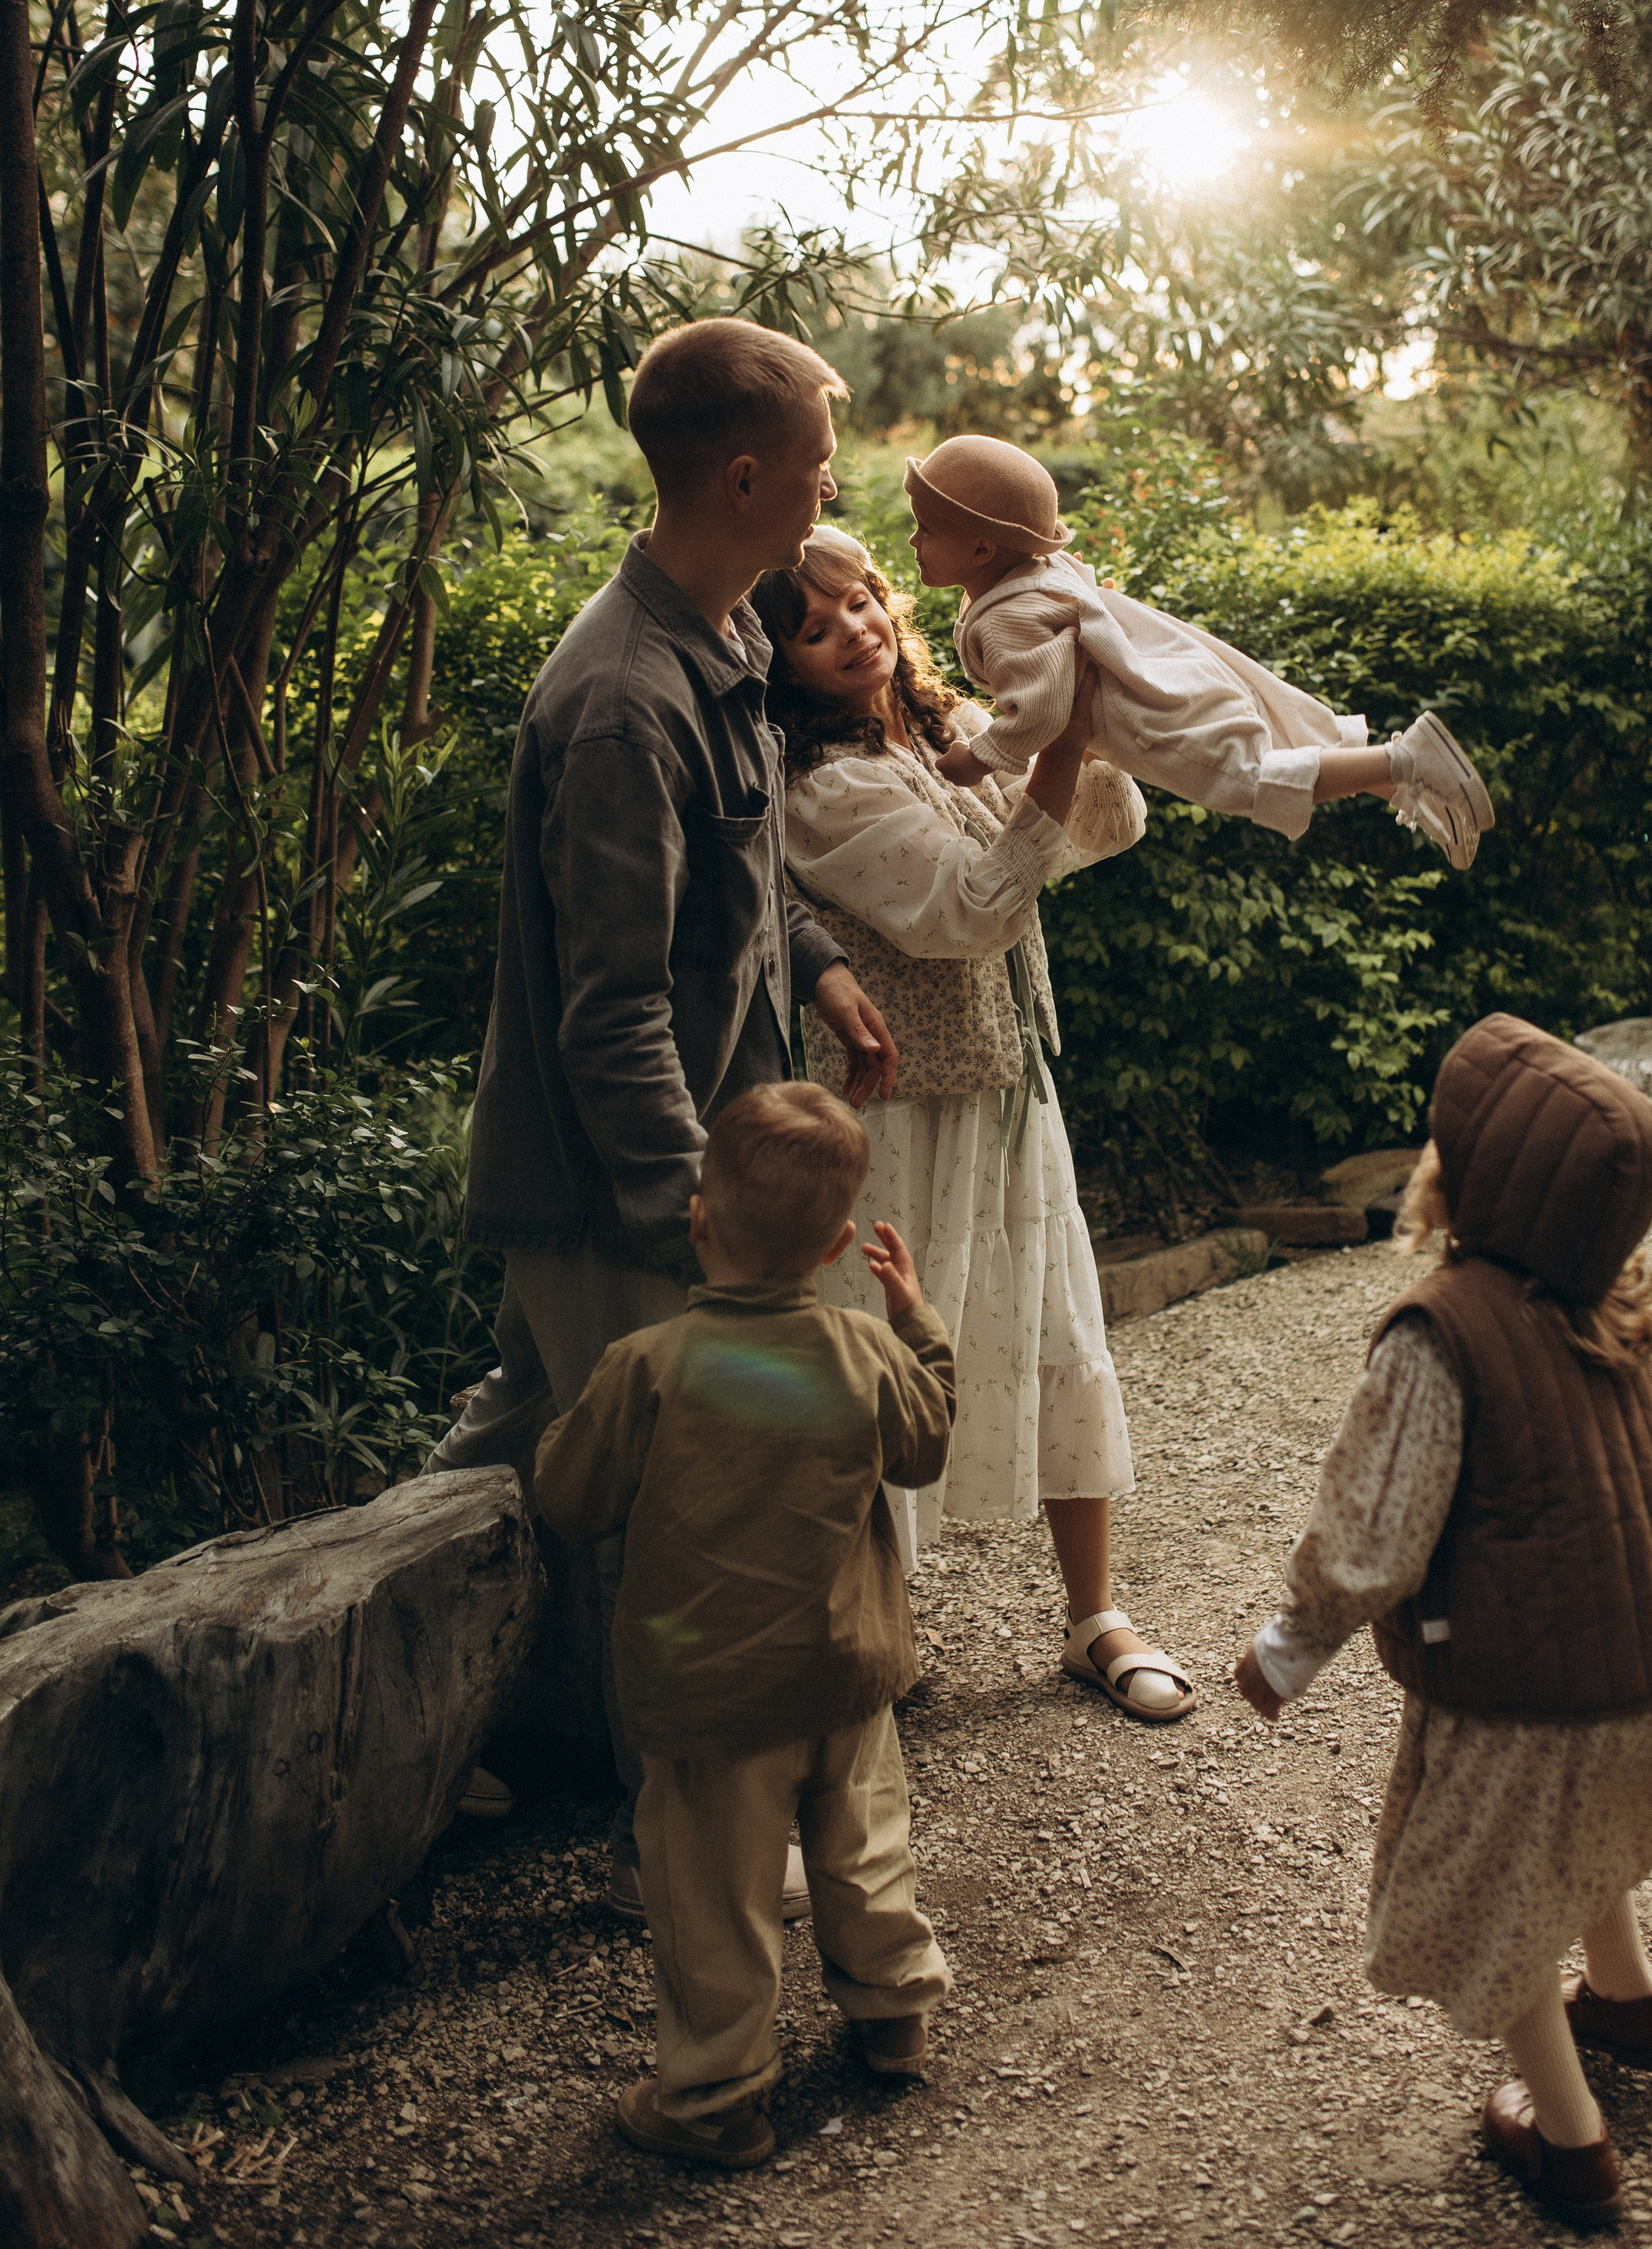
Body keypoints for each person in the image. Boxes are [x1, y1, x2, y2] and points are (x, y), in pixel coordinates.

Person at [433, 318, 899, 1918]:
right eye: (823, 464)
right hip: (619, 1190)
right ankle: (685, 1844)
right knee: (658, 1511)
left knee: (506, 1451)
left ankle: (413, 1729)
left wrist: (823, 972)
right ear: (750, 475)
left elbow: (747, 887)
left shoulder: (723, 642)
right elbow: (614, 1009)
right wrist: (694, 1231)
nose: (837, 489)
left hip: (674, 1168)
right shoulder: (626, 698)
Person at [1233, 1012, 1652, 2230]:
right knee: (1575, 1829)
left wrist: (1291, 1646)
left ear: (1471, 1183)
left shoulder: (1442, 1332)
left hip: (1521, 1699)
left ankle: (1568, 2140)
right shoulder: (1602, 1307)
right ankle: (1632, 1999)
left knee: (1497, 1894)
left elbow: (1374, 1532)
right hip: (1645, 1678)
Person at [756, 524, 1195, 1726]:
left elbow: (1110, 828)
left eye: (860, 602)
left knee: (1057, 1328)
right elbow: (972, 910)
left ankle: (1094, 1617)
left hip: (1009, 1081)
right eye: (814, 624)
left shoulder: (945, 730)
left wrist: (1066, 713)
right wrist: (1052, 737)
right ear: (780, 662)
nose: (855, 629)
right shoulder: (821, 788)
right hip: (897, 1113)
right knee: (886, 1358)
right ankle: (866, 1644)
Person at [533, 1081, 955, 2171]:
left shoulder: (648, 1368)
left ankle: (714, 2096)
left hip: (710, 1700)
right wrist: (918, 1321)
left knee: (713, 1902)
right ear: (835, 1250)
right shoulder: (866, 1355)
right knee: (864, 1853)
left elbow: (571, 1501)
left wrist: (551, 1437)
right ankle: (894, 2012)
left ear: (699, 1221)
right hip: (847, 1675)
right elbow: (928, 1443)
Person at [904, 434, 1492, 864]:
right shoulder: (1038, 569)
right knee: (1278, 724)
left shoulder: (1005, 620)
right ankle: (1396, 780)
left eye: (926, 529)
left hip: (1151, 714)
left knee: (1250, 780)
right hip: (1172, 666)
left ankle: (1407, 761)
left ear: (983, 551)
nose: (913, 540)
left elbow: (1044, 710)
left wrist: (978, 757)